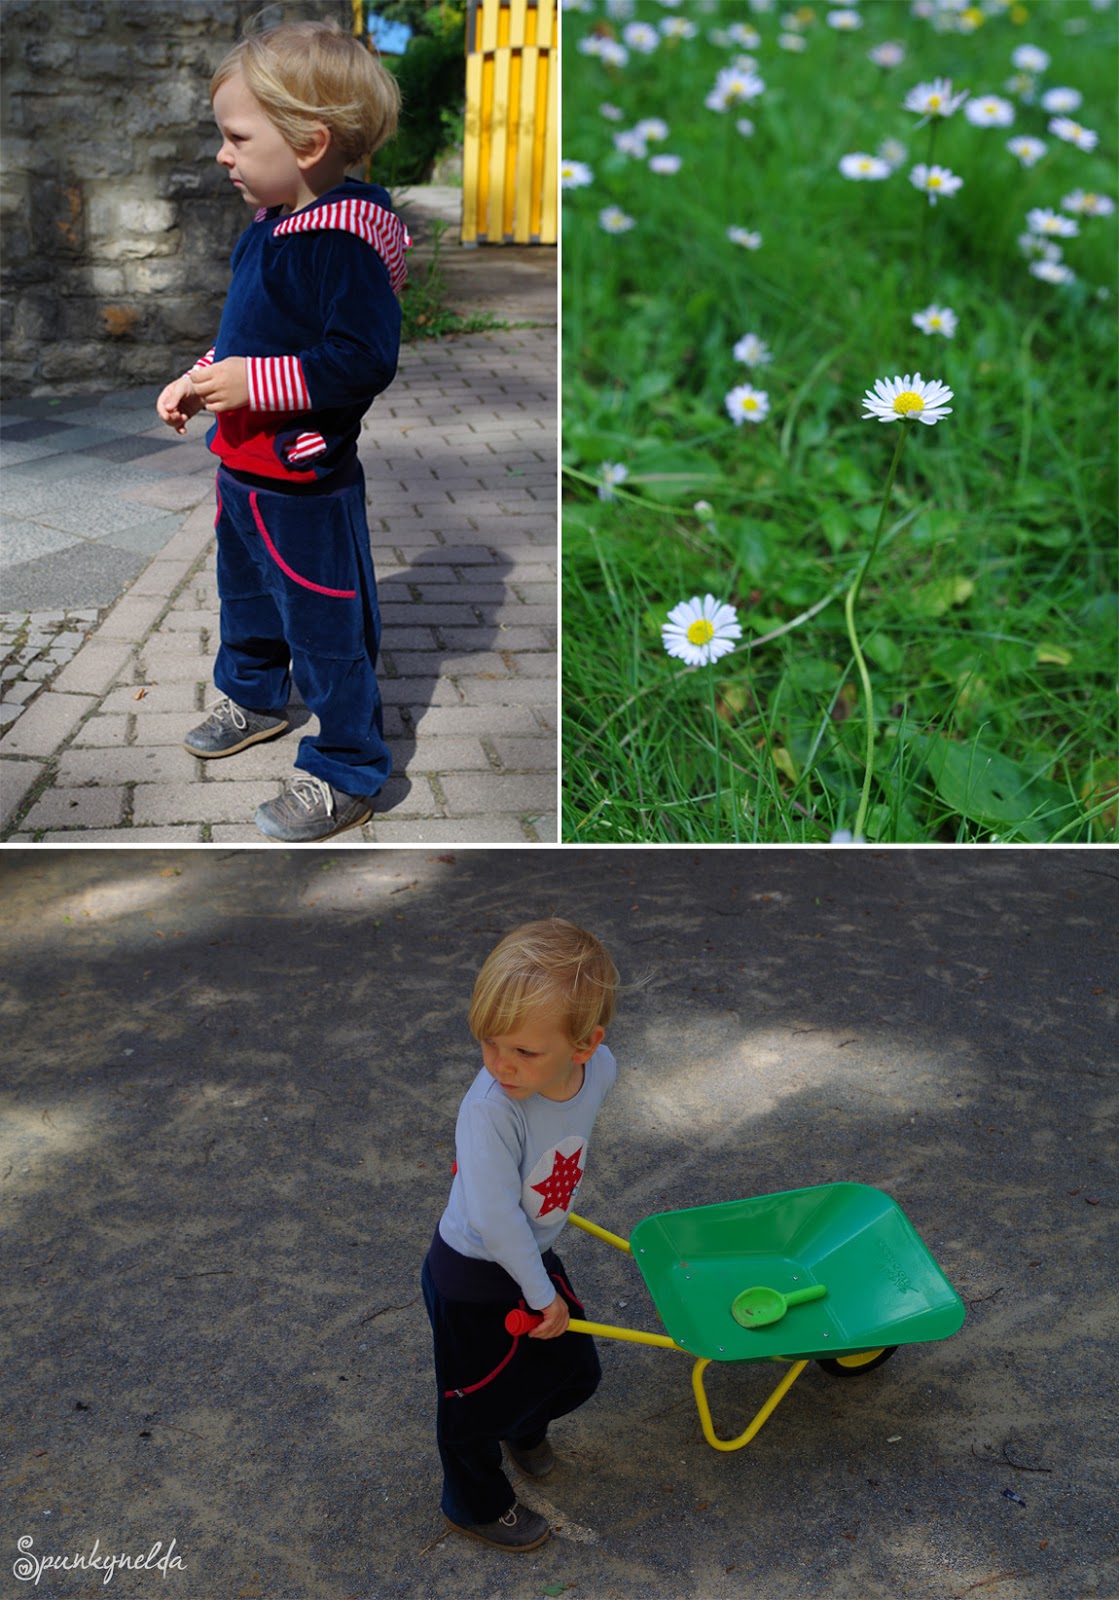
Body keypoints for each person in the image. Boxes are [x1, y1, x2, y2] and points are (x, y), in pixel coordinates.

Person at [155, 19, 409, 841]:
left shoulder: (344, 245)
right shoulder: (268, 227)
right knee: (247, 599)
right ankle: (257, 698)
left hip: (304, 482)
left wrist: (250, 383)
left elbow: (359, 360)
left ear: (308, 142)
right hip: (242, 469)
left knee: (326, 625)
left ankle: (348, 768)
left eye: (235, 137)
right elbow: (248, 341)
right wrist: (200, 379)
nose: (222, 155)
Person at [421, 919, 620, 1553]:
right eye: (489, 1044)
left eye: (525, 1052)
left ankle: (523, 1425)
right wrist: (542, 1295)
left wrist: (540, 1278)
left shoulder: (601, 1069)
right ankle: (474, 1503)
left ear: (584, 1046)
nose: (501, 1065)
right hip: (474, 1272)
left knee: (573, 1372)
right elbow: (495, 1218)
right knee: (470, 1405)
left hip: (531, 1251)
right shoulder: (490, 1109)